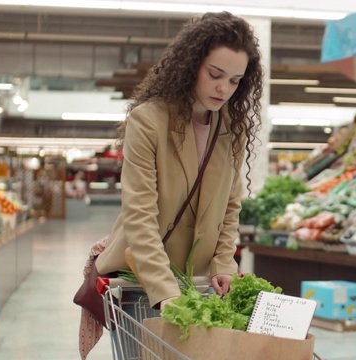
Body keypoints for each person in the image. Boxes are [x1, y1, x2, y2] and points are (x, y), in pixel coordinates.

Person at [78, 11, 264, 358]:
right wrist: (163, 290)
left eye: (236, 80)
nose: (224, 89)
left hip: (199, 283)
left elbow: (230, 205)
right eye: (215, 75)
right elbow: (139, 214)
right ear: (192, 64)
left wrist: (224, 263)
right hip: (142, 281)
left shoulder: (231, 130)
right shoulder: (149, 120)